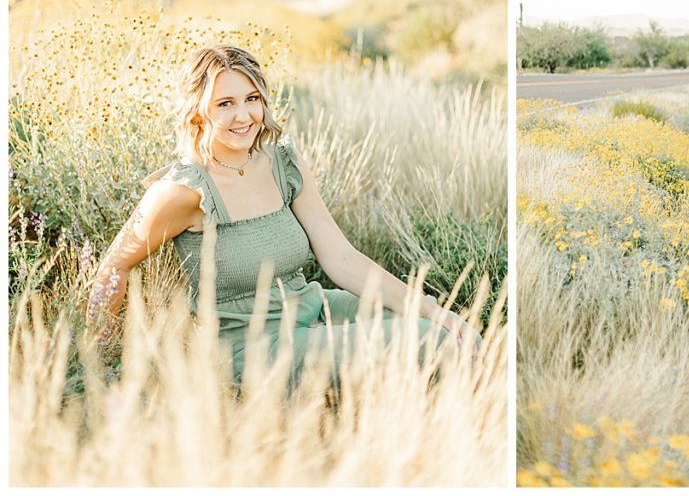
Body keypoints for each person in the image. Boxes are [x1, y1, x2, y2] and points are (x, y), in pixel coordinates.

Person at [87, 45, 478, 384]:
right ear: (197, 113)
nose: (244, 116)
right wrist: (98, 362)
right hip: (254, 349)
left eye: (252, 99)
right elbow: (113, 268)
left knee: (459, 334)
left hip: (312, 310)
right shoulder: (183, 191)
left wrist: (431, 308)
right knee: (436, 340)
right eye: (225, 104)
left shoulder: (282, 163)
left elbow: (340, 258)